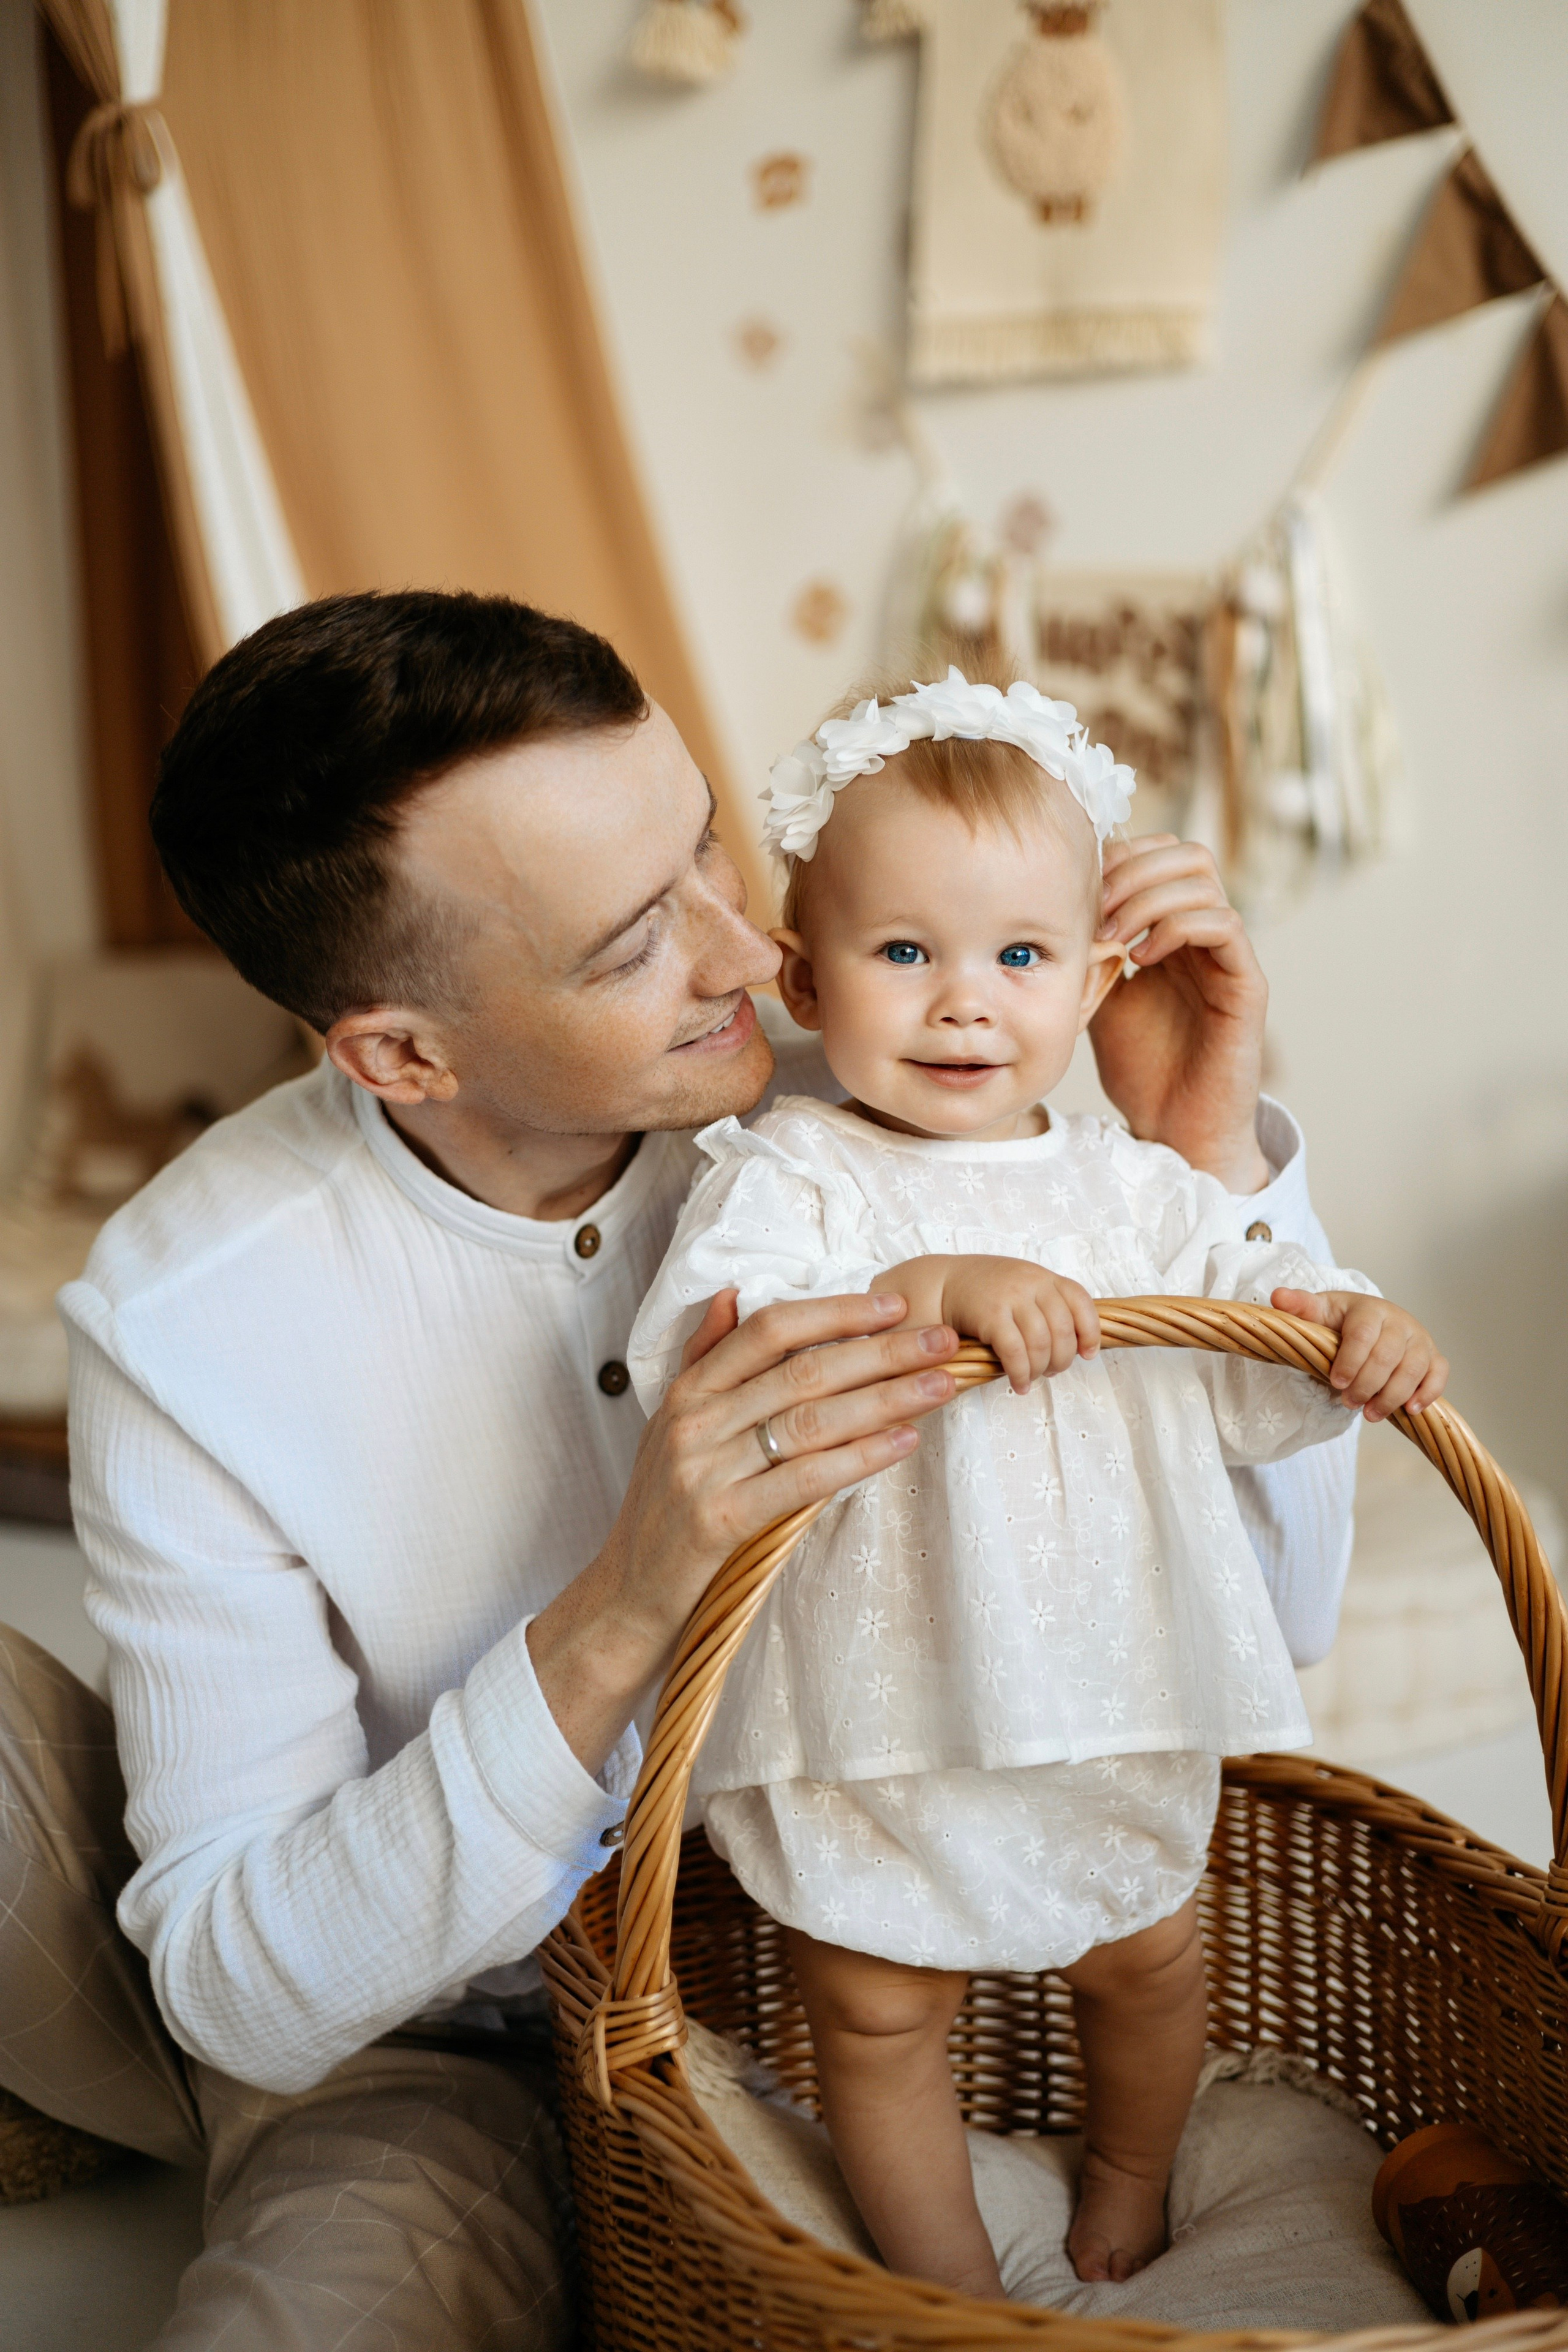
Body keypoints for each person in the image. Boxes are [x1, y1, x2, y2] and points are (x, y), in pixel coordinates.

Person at [0, 592, 1365, 2349]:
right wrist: (633, 1591)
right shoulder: (188, 1319)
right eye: (638, 938)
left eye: (709, 844)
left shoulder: (898, 1100)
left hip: (853, 1940)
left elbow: (1282, 1613)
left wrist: (1202, 1141)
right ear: (402, 1054)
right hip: (464, 2025)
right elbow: (252, 2005)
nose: (752, 952)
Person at [628, 665, 1446, 2299]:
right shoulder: (791, 1173)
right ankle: (948, 2286)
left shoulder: (1132, 1191)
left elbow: (1252, 1321)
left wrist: (1345, 1329)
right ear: (803, 976)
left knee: (1149, 1954)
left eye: (1019, 957)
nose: (963, 1004)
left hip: (1109, 1674)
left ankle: (1132, 2177)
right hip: (878, 1691)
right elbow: (712, 1352)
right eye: (904, 953)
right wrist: (928, 1291)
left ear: (1090, 980)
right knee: (874, 2004)